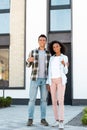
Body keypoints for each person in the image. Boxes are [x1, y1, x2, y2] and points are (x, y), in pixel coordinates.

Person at [26, 34, 50, 126]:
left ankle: (43, 119)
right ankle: (30, 119)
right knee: (32, 100)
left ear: (46, 41)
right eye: (40, 40)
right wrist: (28, 60)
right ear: (38, 41)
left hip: (45, 80)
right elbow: (28, 65)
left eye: (44, 40)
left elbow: (50, 68)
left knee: (44, 100)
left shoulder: (48, 53)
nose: (42, 41)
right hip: (34, 79)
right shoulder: (33, 51)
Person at [46, 40, 69, 129]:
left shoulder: (65, 57)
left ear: (60, 47)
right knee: (54, 101)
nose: (55, 48)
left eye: (57, 46)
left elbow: (66, 72)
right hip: (52, 81)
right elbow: (49, 71)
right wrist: (48, 83)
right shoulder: (51, 58)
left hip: (60, 80)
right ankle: (56, 119)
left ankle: (61, 121)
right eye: (54, 47)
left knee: (61, 100)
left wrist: (65, 65)